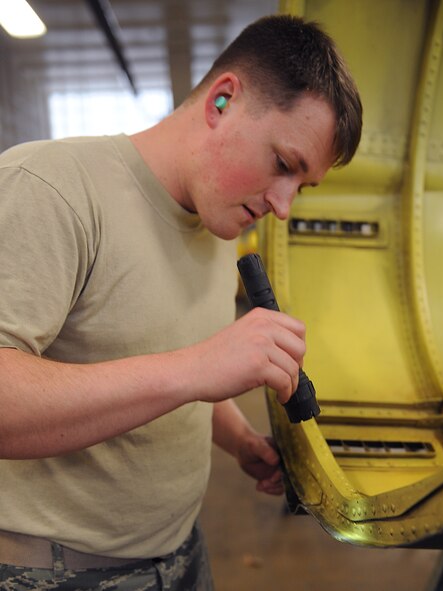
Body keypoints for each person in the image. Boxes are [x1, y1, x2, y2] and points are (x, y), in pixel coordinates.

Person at [0, 13, 362, 591]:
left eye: (302, 185)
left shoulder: (217, 219)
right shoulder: (51, 187)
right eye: (283, 165)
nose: (284, 204)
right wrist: (199, 367)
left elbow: (161, 365)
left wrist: (239, 441)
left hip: (181, 552)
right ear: (222, 101)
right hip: (51, 571)